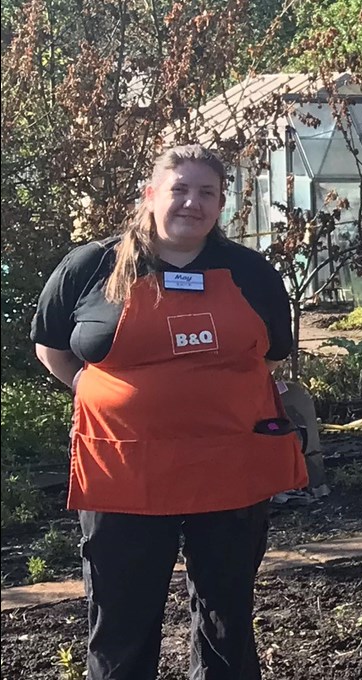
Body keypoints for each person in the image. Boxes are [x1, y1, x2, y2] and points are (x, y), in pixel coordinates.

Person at [31, 144, 307, 680]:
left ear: (223, 202)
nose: (192, 203)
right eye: (179, 189)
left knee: (227, 614)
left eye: (207, 192)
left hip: (229, 466)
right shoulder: (92, 265)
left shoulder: (251, 272)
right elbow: (51, 347)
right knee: (122, 619)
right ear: (150, 194)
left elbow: (272, 353)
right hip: (126, 469)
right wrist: (95, 388)